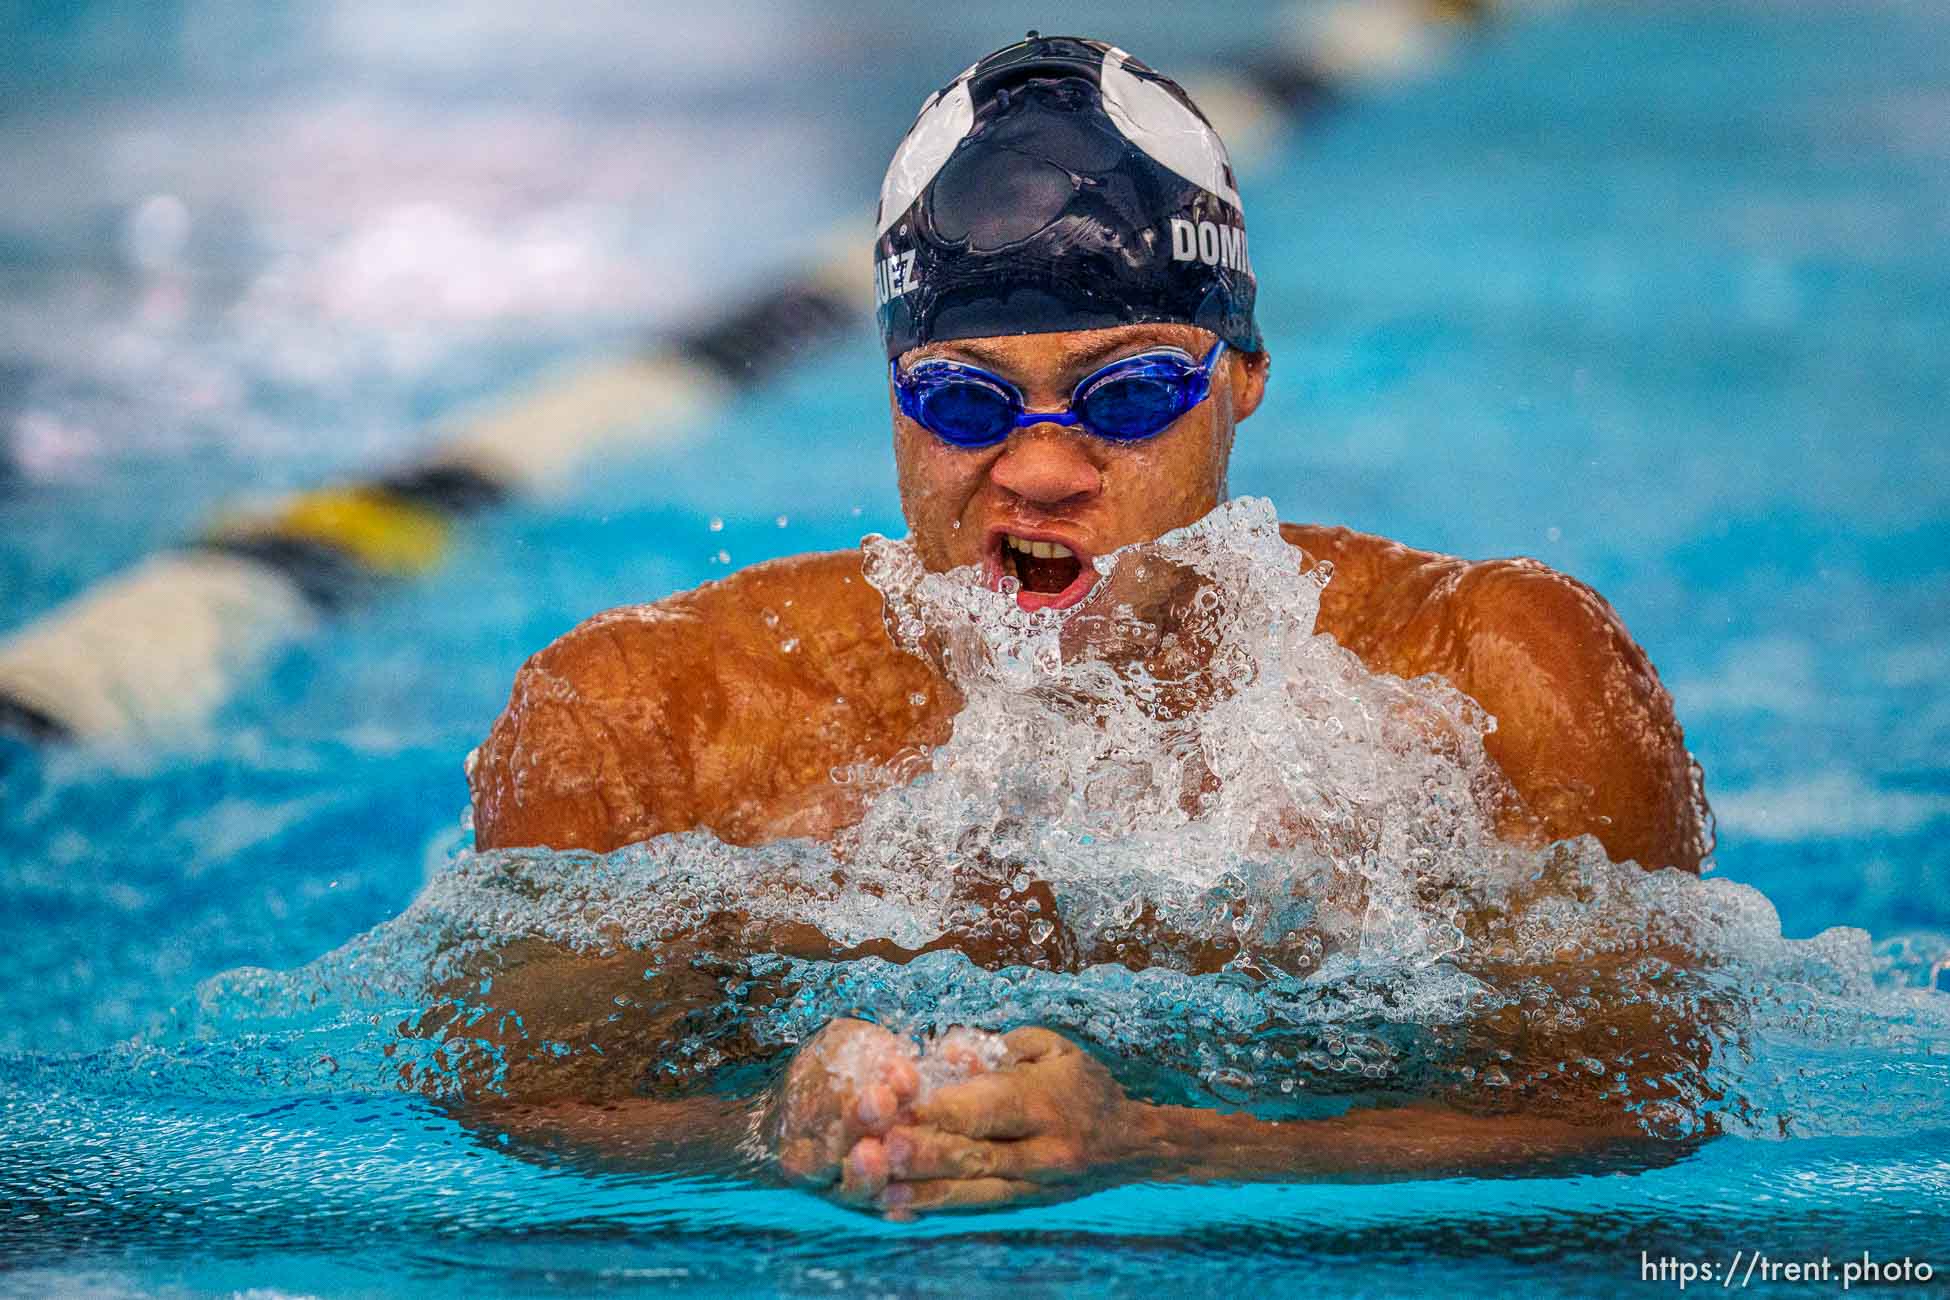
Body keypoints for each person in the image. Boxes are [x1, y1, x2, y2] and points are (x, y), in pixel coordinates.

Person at [455, 35, 1713, 1215]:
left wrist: (1168, 1144)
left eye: (1131, 391)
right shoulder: (649, 722)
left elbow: (1637, 1123)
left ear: (1243, 374)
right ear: (892, 397)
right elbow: (519, 1122)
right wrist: (762, 1128)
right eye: (964, 401)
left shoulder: (1491, 678)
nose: (1045, 470)